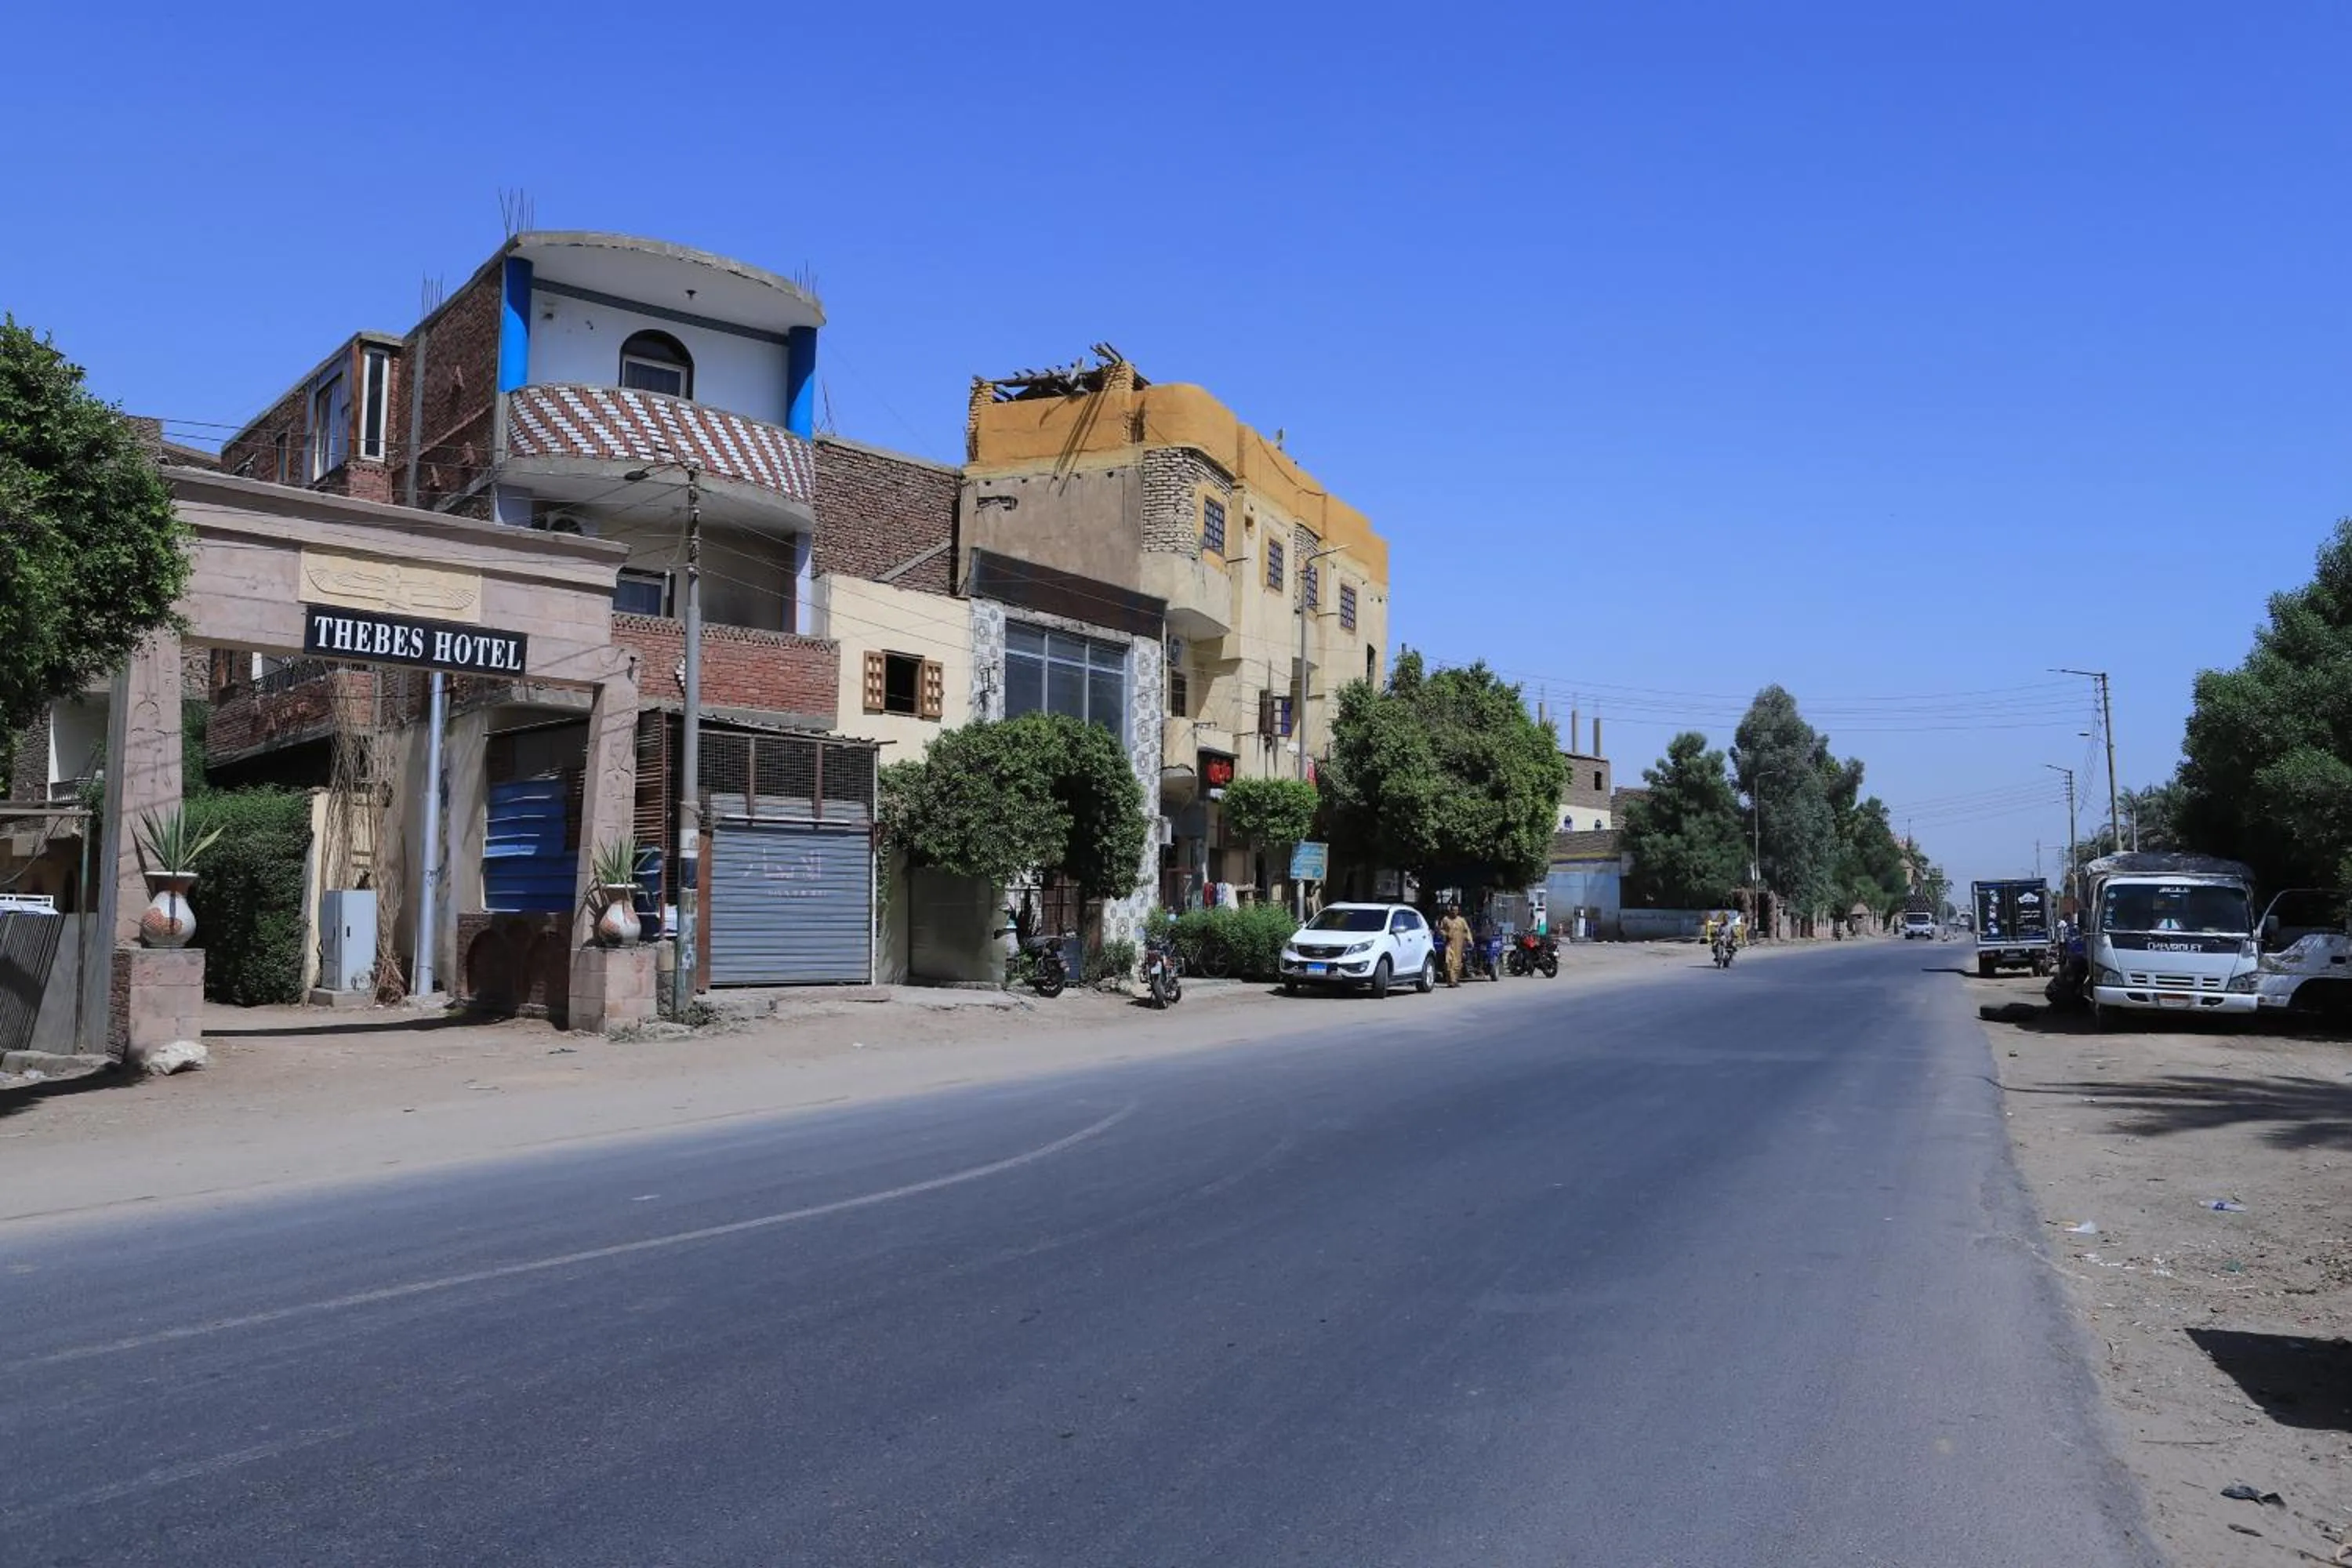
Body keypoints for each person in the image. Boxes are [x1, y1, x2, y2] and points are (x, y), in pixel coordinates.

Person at [1437, 903, 1474, 987]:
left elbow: (1467, 931)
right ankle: (1450, 981)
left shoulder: (1461, 920)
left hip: (1459, 945)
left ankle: (1454, 981)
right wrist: (1445, 934)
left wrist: (1470, 940)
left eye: (1456, 910)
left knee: (1457, 964)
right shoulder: (1446, 920)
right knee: (1449, 962)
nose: (1454, 912)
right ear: (1450, 911)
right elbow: (1441, 929)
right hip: (1449, 944)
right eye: (1453, 910)